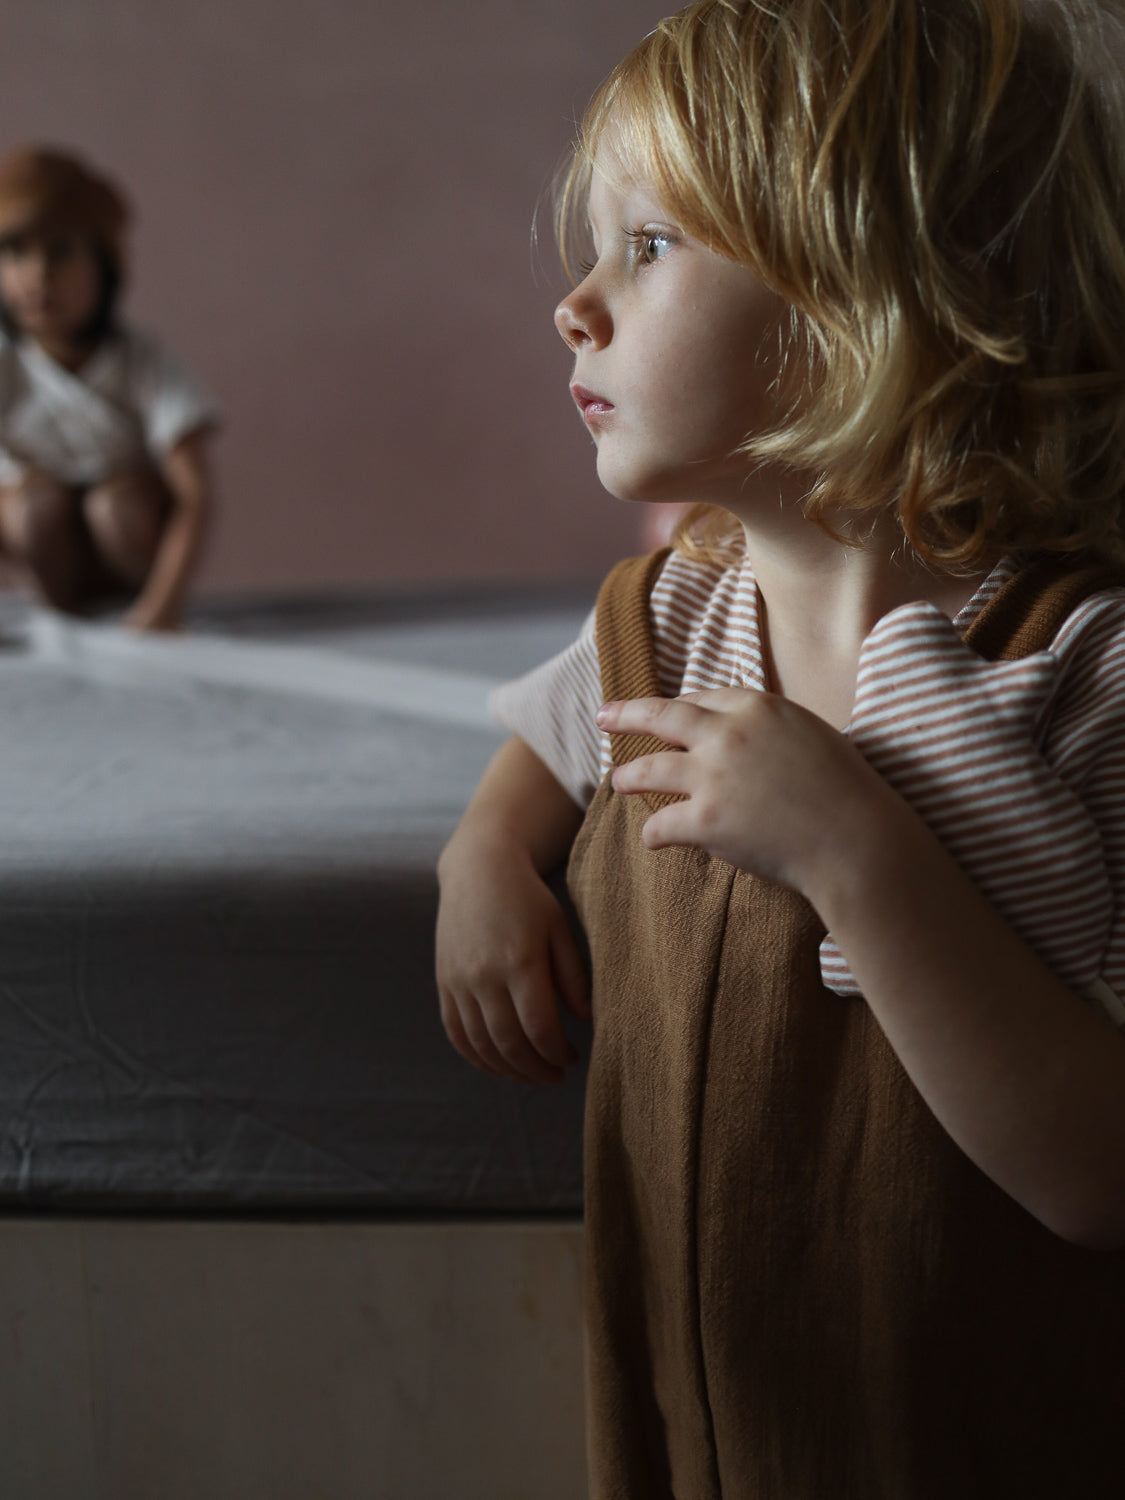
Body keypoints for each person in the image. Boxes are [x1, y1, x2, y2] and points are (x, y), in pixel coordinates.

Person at [436, 1, 1125, 1494]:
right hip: (689, 1428)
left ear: (870, 293)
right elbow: (554, 737)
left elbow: (1098, 1177)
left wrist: (856, 854)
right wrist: (484, 855)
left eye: (649, 246)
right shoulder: (671, 609)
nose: (575, 305)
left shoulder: (1077, 670)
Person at [0, 146, 219, 631]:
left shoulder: (143, 364)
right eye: (15, 252)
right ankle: (59, 612)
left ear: (103, 263)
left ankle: (124, 606)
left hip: (126, 564)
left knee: (114, 509)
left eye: (60, 251)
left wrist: (161, 609)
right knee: (32, 509)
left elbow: (194, 494)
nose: (39, 274)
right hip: (45, 562)